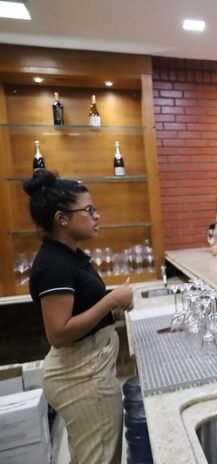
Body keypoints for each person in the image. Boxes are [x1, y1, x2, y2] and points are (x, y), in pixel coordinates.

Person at [24, 169, 133, 464]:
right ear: (62, 218)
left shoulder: (68, 255)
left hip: (89, 367)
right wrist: (111, 300)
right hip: (81, 374)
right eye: (89, 210)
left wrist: (114, 304)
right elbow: (59, 333)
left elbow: (81, 308)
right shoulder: (55, 265)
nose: (97, 216)